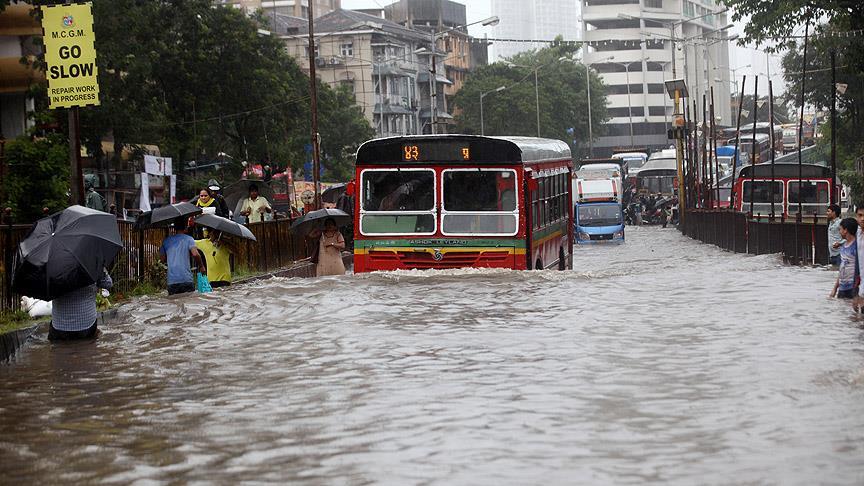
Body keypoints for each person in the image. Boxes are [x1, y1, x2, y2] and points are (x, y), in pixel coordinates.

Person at [49, 270, 112, 341]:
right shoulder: (93, 263)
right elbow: (108, 284)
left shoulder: (53, 267)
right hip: (86, 324)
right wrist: (102, 272)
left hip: (59, 326)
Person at [160, 217, 206, 295]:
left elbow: (162, 259)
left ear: (174, 228)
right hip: (186, 280)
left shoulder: (166, 241)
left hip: (172, 281)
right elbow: (195, 254)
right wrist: (201, 266)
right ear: (185, 227)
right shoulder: (189, 239)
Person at [831, 218, 859, 299]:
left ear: (845, 230)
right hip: (842, 287)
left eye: (840, 229)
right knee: (842, 311)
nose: (839, 232)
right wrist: (835, 289)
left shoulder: (856, 246)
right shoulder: (843, 247)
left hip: (853, 287)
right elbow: (841, 269)